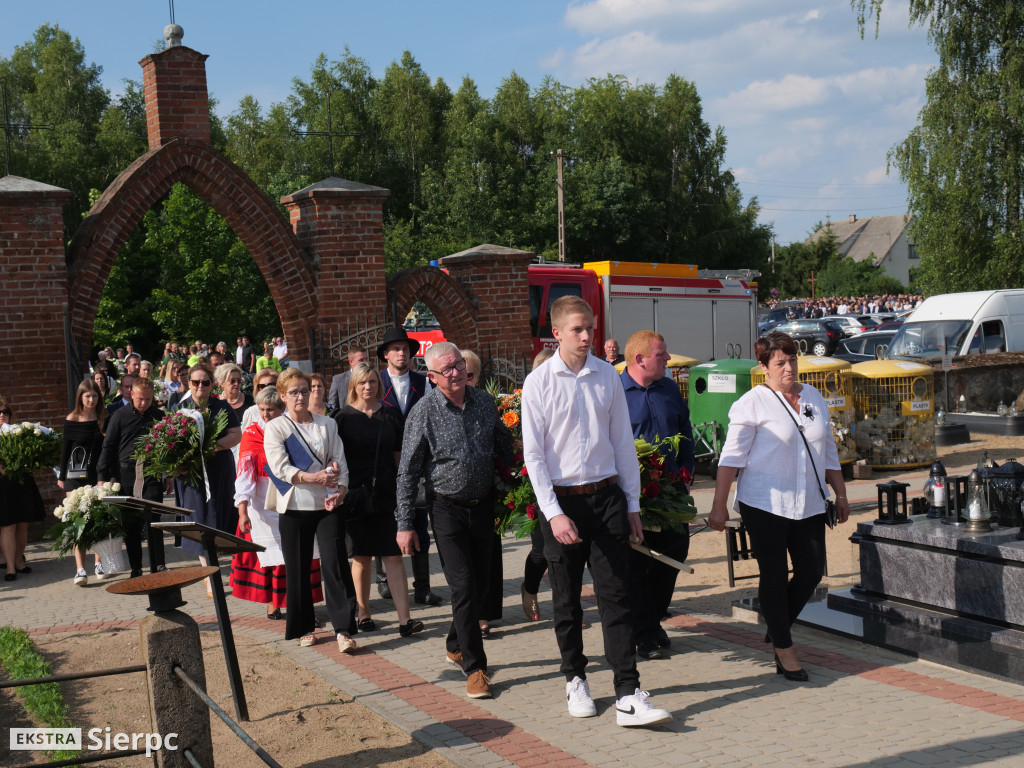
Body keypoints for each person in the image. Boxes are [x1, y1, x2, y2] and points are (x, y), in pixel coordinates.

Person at [521, 295, 671, 727]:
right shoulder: (540, 383)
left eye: (590, 328)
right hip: (563, 502)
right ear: (557, 333)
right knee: (567, 599)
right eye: (577, 329)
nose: (587, 336)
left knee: (616, 596)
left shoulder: (607, 376)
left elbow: (623, 444)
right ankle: (575, 678)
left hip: (607, 499)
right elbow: (534, 456)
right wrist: (553, 513)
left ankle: (627, 691)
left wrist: (632, 503)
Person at [708, 331, 851, 682]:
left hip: (810, 502)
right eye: (780, 363)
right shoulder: (752, 403)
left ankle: (777, 624)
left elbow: (828, 450)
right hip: (765, 503)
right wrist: (719, 505)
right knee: (773, 574)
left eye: (792, 360)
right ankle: (785, 650)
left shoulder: (814, 397)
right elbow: (730, 459)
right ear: (764, 367)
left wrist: (842, 494)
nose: (789, 368)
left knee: (812, 571)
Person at [395, 342, 513, 700]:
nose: (456, 372)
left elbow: (503, 444)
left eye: (459, 364)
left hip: (483, 507)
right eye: (447, 369)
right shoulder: (424, 412)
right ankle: (476, 668)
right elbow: (407, 472)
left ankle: (455, 643)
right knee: (462, 586)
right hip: (445, 509)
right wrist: (404, 523)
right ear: (432, 376)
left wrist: (514, 483)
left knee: (477, 586)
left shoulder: (483, 402)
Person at [264, 368, 356, 651]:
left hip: (327, 506)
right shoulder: (276, 427)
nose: (301, 396)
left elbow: (339, 460)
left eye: (305, 390)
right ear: (283, 396)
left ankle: (343, 629)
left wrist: (340, 490)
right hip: (294, 505)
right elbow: (279, 467)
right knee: (299, 568)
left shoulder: (327, 424)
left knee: (335, 564)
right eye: (294, 392)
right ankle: (305, 627)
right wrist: (313, 477)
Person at [620, 330, 695, 660]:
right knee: (637, 565)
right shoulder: (615, 393)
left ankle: (651, 619)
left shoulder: (668, 388)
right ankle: (645, 632)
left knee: (676, 553)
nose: (667, 358)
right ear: (639, 359)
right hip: (635, 494)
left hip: (671, 491)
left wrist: (687, 469)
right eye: (661, 354)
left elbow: (685, 430)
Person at [335, 363, 424, 638]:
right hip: (357, 495)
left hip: (388, 493)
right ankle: (363, 613)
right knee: (360, 557)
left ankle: (404, 620)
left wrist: (404, 491)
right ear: (354, 385)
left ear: (379, 384)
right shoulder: (342, 418)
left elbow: (400, 458)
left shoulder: (391, 416)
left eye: (372, 381)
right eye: (362, 382)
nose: (368, 386)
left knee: (393, 556)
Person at [230, 386, 323, 619]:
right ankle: (273, 602)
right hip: (262, 500)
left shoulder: (291, 430)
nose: (264, 414)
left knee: (299, 551)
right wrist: (242, 510)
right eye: (261, 409)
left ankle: (299, 603)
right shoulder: (251, 433)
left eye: (270, 409)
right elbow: (244, 474)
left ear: (282, 409)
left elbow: (308, 465)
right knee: (271, 555)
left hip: (293, 494)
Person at [378, 326, 442, 606]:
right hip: (384, 464)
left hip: (416, 463)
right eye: (395, 349)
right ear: (386, 354)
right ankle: (385, 581)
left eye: (404, 348)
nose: (401, 352)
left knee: (418, 522)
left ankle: (423, 586)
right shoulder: (376, 381)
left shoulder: (422, 381)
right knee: (384, 522)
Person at [172, 363, 242, 592]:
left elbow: (236, 434)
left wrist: (215, 447)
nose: (200, 386)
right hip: (192, 473)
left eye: (205, 382)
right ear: (188, 383)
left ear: (212, 384)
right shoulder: (180, 408)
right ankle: (209, 574)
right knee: (199, 517)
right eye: (195, 382)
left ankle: (219, 564)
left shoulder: (221, 406)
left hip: (219, 469)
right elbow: (170, 441)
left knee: (220, 515)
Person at [96, 376, 167, 576]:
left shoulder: (159, 415)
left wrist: (168, 475)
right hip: (125, 474)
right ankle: (136, 566)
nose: (144, 403)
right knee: (131, 523)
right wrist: (103, 475)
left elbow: (167, 448)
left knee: (154, 519)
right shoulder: (119, 416)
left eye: (148, 399)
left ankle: (158, 564)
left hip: (152, 472)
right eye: (140, 399)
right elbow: (108, 446)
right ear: (131, 394)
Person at [461, 350, 501, 637]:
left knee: (486, 557)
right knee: (464, 565)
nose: (464, 379)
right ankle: (469, 616)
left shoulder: (487, 404)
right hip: (453, 498)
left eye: (470, 375)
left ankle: (485, 612)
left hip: (487, 493)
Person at [58, 380, 108, 585]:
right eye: (87, 396)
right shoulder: (72, 418)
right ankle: (80, 569)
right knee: (77, 520)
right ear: (80, 397)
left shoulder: (104, 418)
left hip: (97, 474)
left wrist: (108, 475)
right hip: (73, 475)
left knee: (98, 519)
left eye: (94, 396)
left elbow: (108, 449)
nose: (91, 399)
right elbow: (65, 450)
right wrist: (61, 477)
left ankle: (99, 562)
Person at [520, 348, 555, 622]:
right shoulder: (527, 401)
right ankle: (529, 589)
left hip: (567, 484)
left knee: (567, 552)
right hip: (537, 484)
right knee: (542, 551)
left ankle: (566, 602)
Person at [0, 397, 46, 582]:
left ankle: (19, 561)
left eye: (5, 412)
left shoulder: (19, 433)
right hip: (2, 485)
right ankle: (10, 567)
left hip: (22, 482)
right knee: (8, 526)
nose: (2, 415)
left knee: (22, 525)